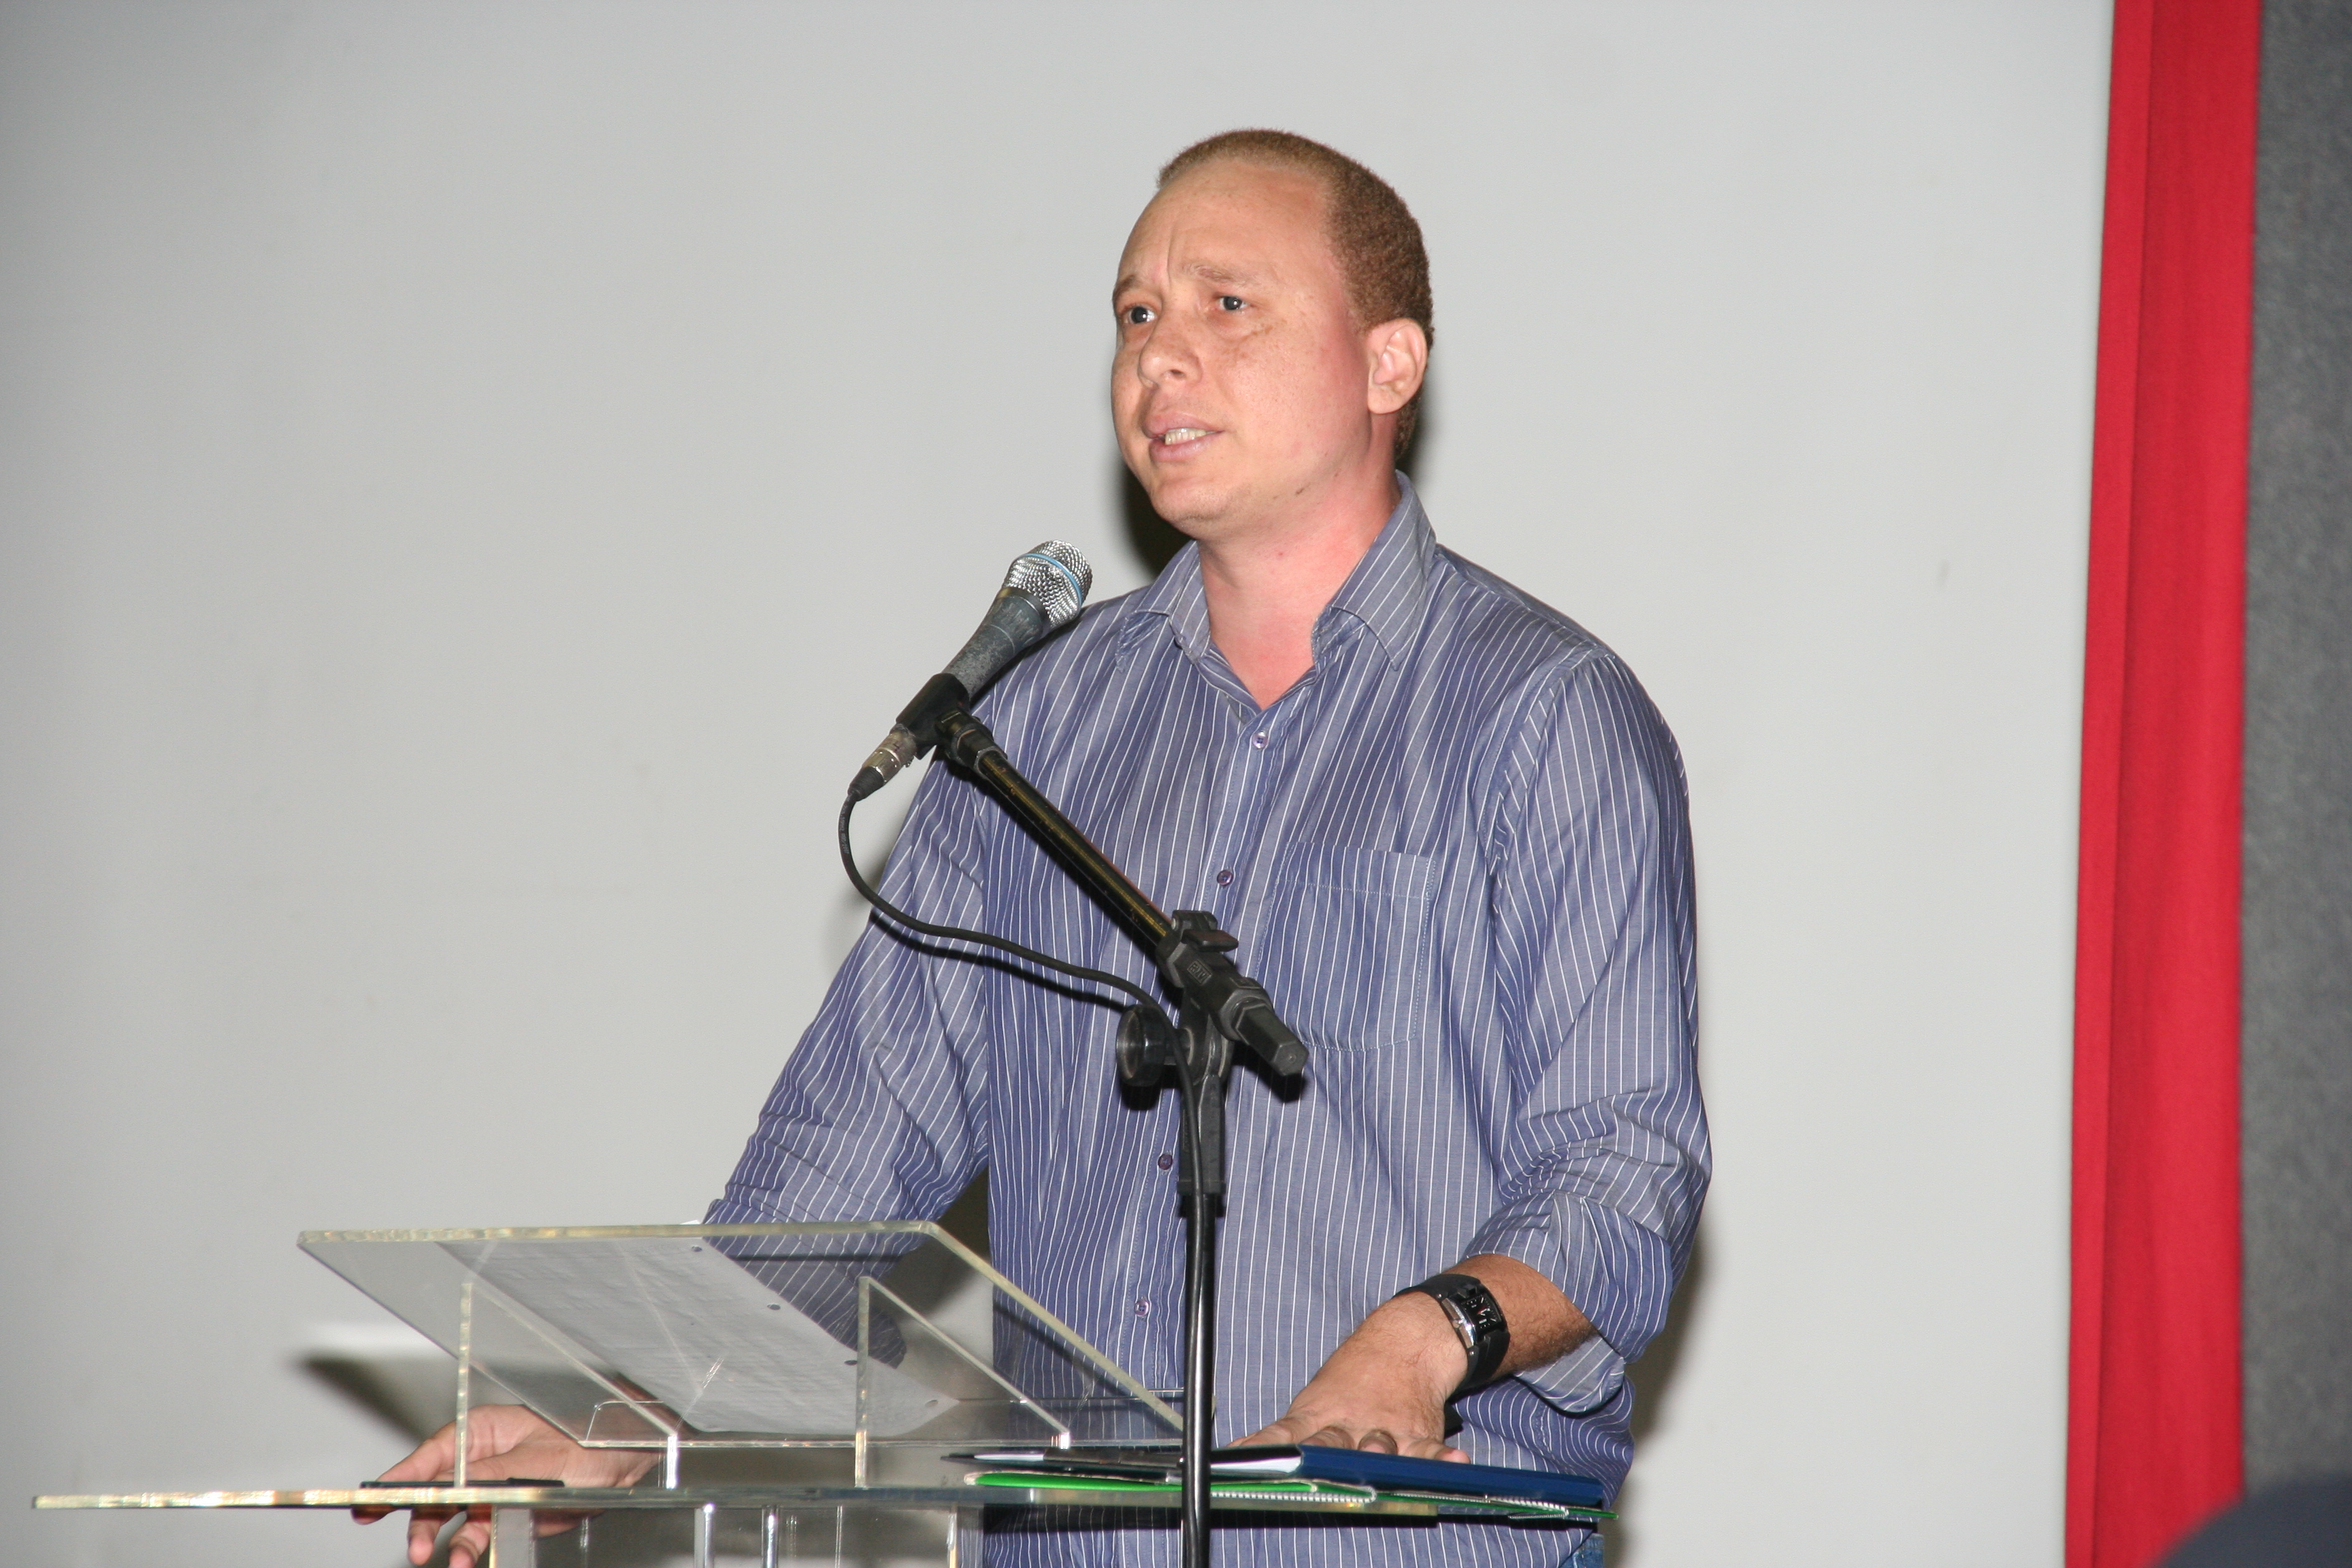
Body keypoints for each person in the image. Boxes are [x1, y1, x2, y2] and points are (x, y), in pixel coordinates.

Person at [363, 128, 1708, 1568]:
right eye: (1136, 314)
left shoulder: (1542, 716)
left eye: (1227, 305)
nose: (1160, 356)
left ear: (1389, 364)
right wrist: (633, 1409)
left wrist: (1423, 1338)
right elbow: (853, 1143)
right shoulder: (1033, 726)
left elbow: (1622, 1163)